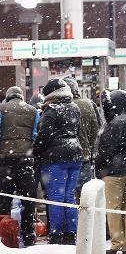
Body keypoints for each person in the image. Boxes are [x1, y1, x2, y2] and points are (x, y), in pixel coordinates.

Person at [33, 79, 83, 245]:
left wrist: (35, 151)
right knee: (69, 196)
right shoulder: (74, 107)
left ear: (50, 94)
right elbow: (78, 131)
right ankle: (71, 232)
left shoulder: (52, 110)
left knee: (55, 197)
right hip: (75, 154)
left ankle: (56, 234)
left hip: (56, 158)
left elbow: (43, 137)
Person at [96, 90, 126, 254]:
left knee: (114, 209)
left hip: (114, 173)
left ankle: (117, 244)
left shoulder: (114, 124)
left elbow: (106, 151)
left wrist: (99, 169)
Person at [0, 86, 40, 247]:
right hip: (25, 160)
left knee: (4, 199)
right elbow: (35, 135)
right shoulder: (32, 111)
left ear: (8, 97)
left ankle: (4, 237)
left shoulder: (1, 109)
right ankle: (28, 235)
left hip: (5, 161)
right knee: (27, 200)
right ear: (21, 97)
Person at [63, 77, 101, 201]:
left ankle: (70, 219)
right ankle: (84, 219)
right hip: (84, 157)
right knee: (85, 195)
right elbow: (96, 130)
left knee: (66, 195)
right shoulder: (87, 104)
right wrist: (89, 147)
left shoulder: (60, 106)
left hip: (63, 159)